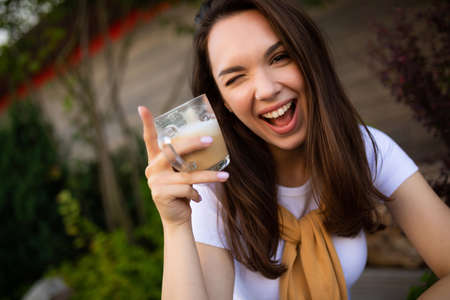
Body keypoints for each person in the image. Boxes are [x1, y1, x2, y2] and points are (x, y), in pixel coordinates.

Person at [137, 0, 450, 299]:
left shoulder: (365, 148)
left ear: (308, 58)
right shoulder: (214, 185)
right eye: (236, 78)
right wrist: (176, 225)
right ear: (225, 104)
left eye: (279, 58)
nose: (268, 88)